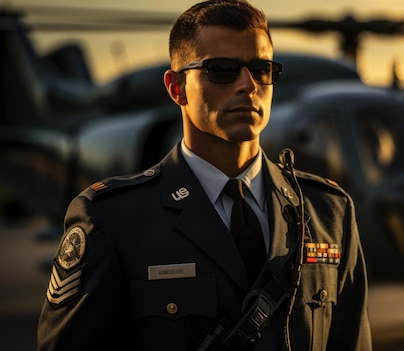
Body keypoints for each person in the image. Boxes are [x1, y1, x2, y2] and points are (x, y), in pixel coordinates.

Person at [36, 1, 372, 350]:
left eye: (261, 69)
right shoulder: (114, 220)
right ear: (176, 88)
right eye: (222, 69)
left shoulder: (328, 213)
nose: (248, 85)